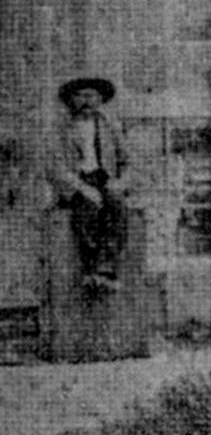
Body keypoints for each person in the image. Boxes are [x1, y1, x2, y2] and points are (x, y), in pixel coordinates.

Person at [53, 75, 130, 295]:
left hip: (104, 179)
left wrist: (120, 182)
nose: (86, 101)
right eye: (79, 95)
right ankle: (91, 267)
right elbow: (56, 167)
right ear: (71, 100)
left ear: (101, 99)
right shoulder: (62, 129)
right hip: (76, 182)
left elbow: (127, 161)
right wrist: (82, 187)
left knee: (117, 206)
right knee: (87, 206)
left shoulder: (110, 128)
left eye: (91, 95)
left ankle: (106, 266)